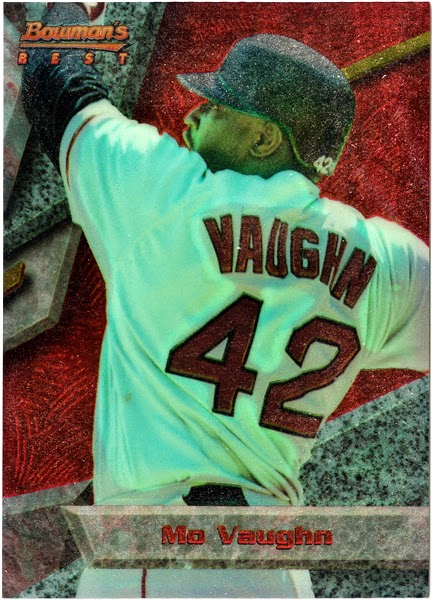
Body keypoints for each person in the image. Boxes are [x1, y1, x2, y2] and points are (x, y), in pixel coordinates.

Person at [22, 3, 429, 598]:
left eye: (216, 106)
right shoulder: (388, 260)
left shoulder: (163, 194)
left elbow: (53, 79)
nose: (192, 116)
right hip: (277, 568)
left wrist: (66, 11)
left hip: (158, 553)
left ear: (264, 137)